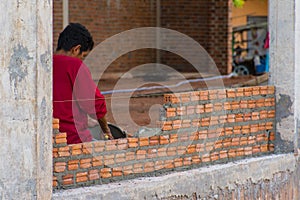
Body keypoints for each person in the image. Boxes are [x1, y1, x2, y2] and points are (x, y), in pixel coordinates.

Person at [53, 23, 113, 144]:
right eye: (83, 56)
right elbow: (95, 104)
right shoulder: (74, 65)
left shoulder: (45, 62)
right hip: (74, 139)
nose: (82, 60)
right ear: (76, 49)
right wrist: (106, 130)